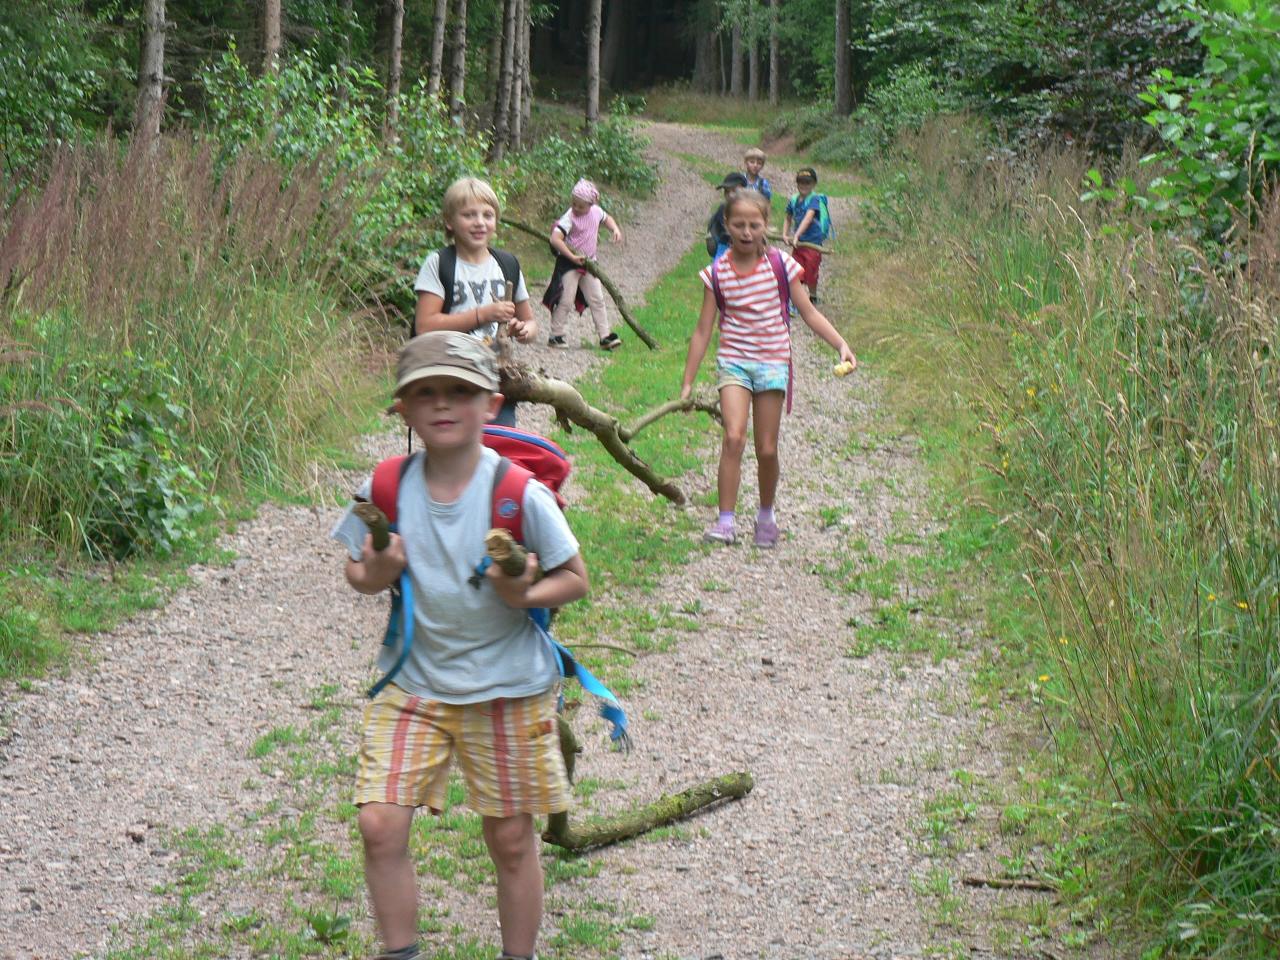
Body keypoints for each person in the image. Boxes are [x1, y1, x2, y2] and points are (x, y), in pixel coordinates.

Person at [331, 331, 587, 960]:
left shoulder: (518, 493)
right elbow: (358, 573)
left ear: (492, 403)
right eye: (426, 393)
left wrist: (524, 594)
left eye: (459, 391)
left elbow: (575, 578)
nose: (442, 404)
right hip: (413, 682)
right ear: (403, 409)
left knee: (510, 838)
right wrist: (379, 570)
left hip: (508, 689)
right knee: (378, 823)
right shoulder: (385, 486)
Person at [680, 188, 856, 548]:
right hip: (734, 364)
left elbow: (808, 312)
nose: (746, 232)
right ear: (726, 225)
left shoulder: (781, 265)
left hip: (773, 363)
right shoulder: (716, 273)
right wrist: (687, 382)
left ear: (766, 225)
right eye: (739, 225)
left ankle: (766, 515)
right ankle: (725, 521)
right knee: (733, 437)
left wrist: (841, 344)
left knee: (767, 449)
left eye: (754, 225)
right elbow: (702, 331)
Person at [414, 177, 537, 426]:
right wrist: (483, 315)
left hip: (496, 380)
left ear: (496, 221)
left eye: (487, 215)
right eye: (469, 215)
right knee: (451, 443)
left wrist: (523, 330)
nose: (479, 222)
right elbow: (425, 326)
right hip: (448, 380)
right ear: (449, 222)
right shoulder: (440, 264)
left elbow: (531, 323)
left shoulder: (507, 264)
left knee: (499, 444)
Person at [547, 178, 624, 350]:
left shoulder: (596, 212)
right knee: (566, 299)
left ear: (591, 205)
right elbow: (555, 239)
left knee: (597, 299)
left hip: (589, 263)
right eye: (574, 203)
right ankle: (555, 335)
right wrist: (571, 256)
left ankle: (605, 336)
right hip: (569, 263)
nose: (576, 208)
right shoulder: (569, 217)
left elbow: (607, 218)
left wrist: (615, 229)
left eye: (581, 206)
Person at [783, 166, 824, 303]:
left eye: (807, 182)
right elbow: (788, 217)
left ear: (814, 184)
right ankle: (797, 299)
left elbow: (808, 218)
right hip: (799, 244)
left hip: (812, 243)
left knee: (811, 271)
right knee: (795, 270)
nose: (804, 185)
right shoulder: (794, 199)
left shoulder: (814, 199)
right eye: (801, 182)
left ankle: (813, 296)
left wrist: (796, 235)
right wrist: (785, 234)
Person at [706, 171, 749, 262]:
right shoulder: (724, 209)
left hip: (744, 246)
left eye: (734, 191)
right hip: (725, 245)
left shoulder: (750, 209)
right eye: (726, 191)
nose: (730, 195)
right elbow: (729, 231)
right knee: (719, 266)